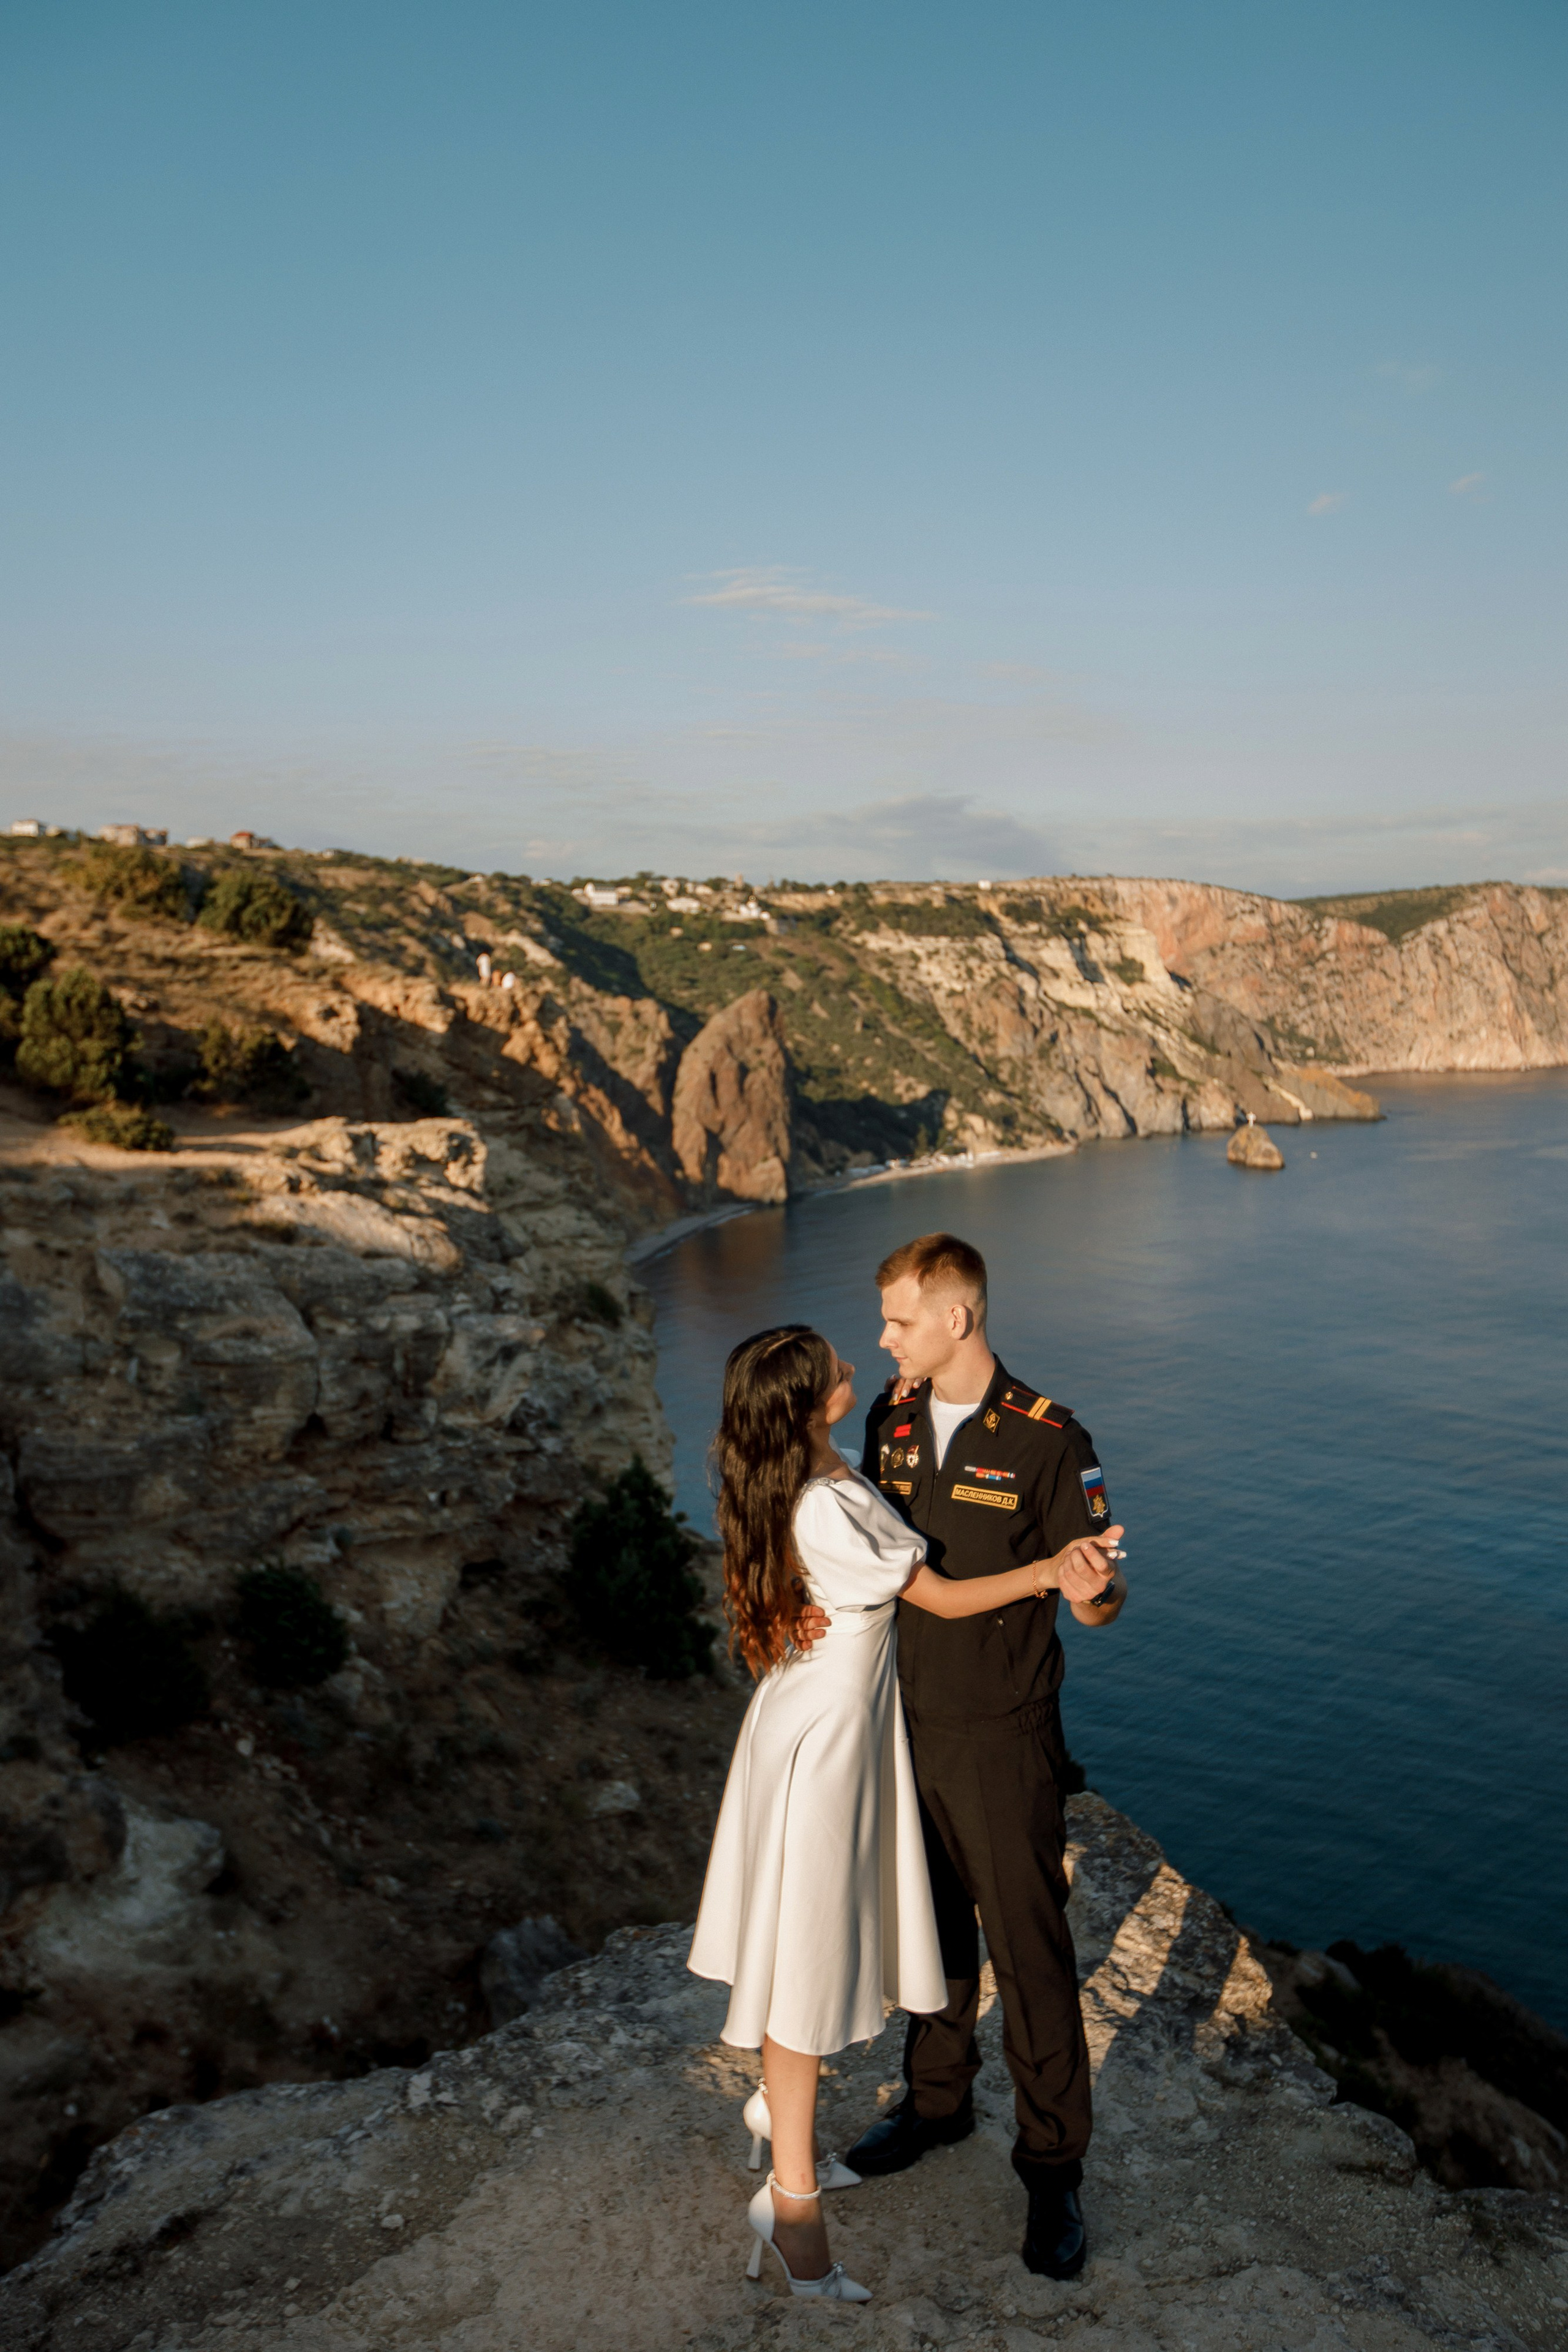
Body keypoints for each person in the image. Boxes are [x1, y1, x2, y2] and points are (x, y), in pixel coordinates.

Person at [687, 1324, 1122, 2302]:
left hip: (812, 1720)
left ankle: (779, 2110)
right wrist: (1053, 1570)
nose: (863, 1367)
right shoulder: (831, 1502)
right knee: (806, 1960)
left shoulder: (816, 1469)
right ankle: (794, 2204)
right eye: (841, 1369)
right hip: (831, 1743)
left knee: (817, 1935)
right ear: (807, 1409)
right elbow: (948, 1596)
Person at [837, 1232, 1127, 2282]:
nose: (883, 1339)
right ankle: (937, 2104)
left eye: (899, 1320)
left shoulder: (1052, 1439)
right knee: (932, 1932)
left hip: (1004, 1737)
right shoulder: (892, 1419)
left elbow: (1099, 1602)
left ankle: (1054, 2172)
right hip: (902, 1721)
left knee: (1030, 1955)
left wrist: (1088, 1584)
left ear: (956, 1319)